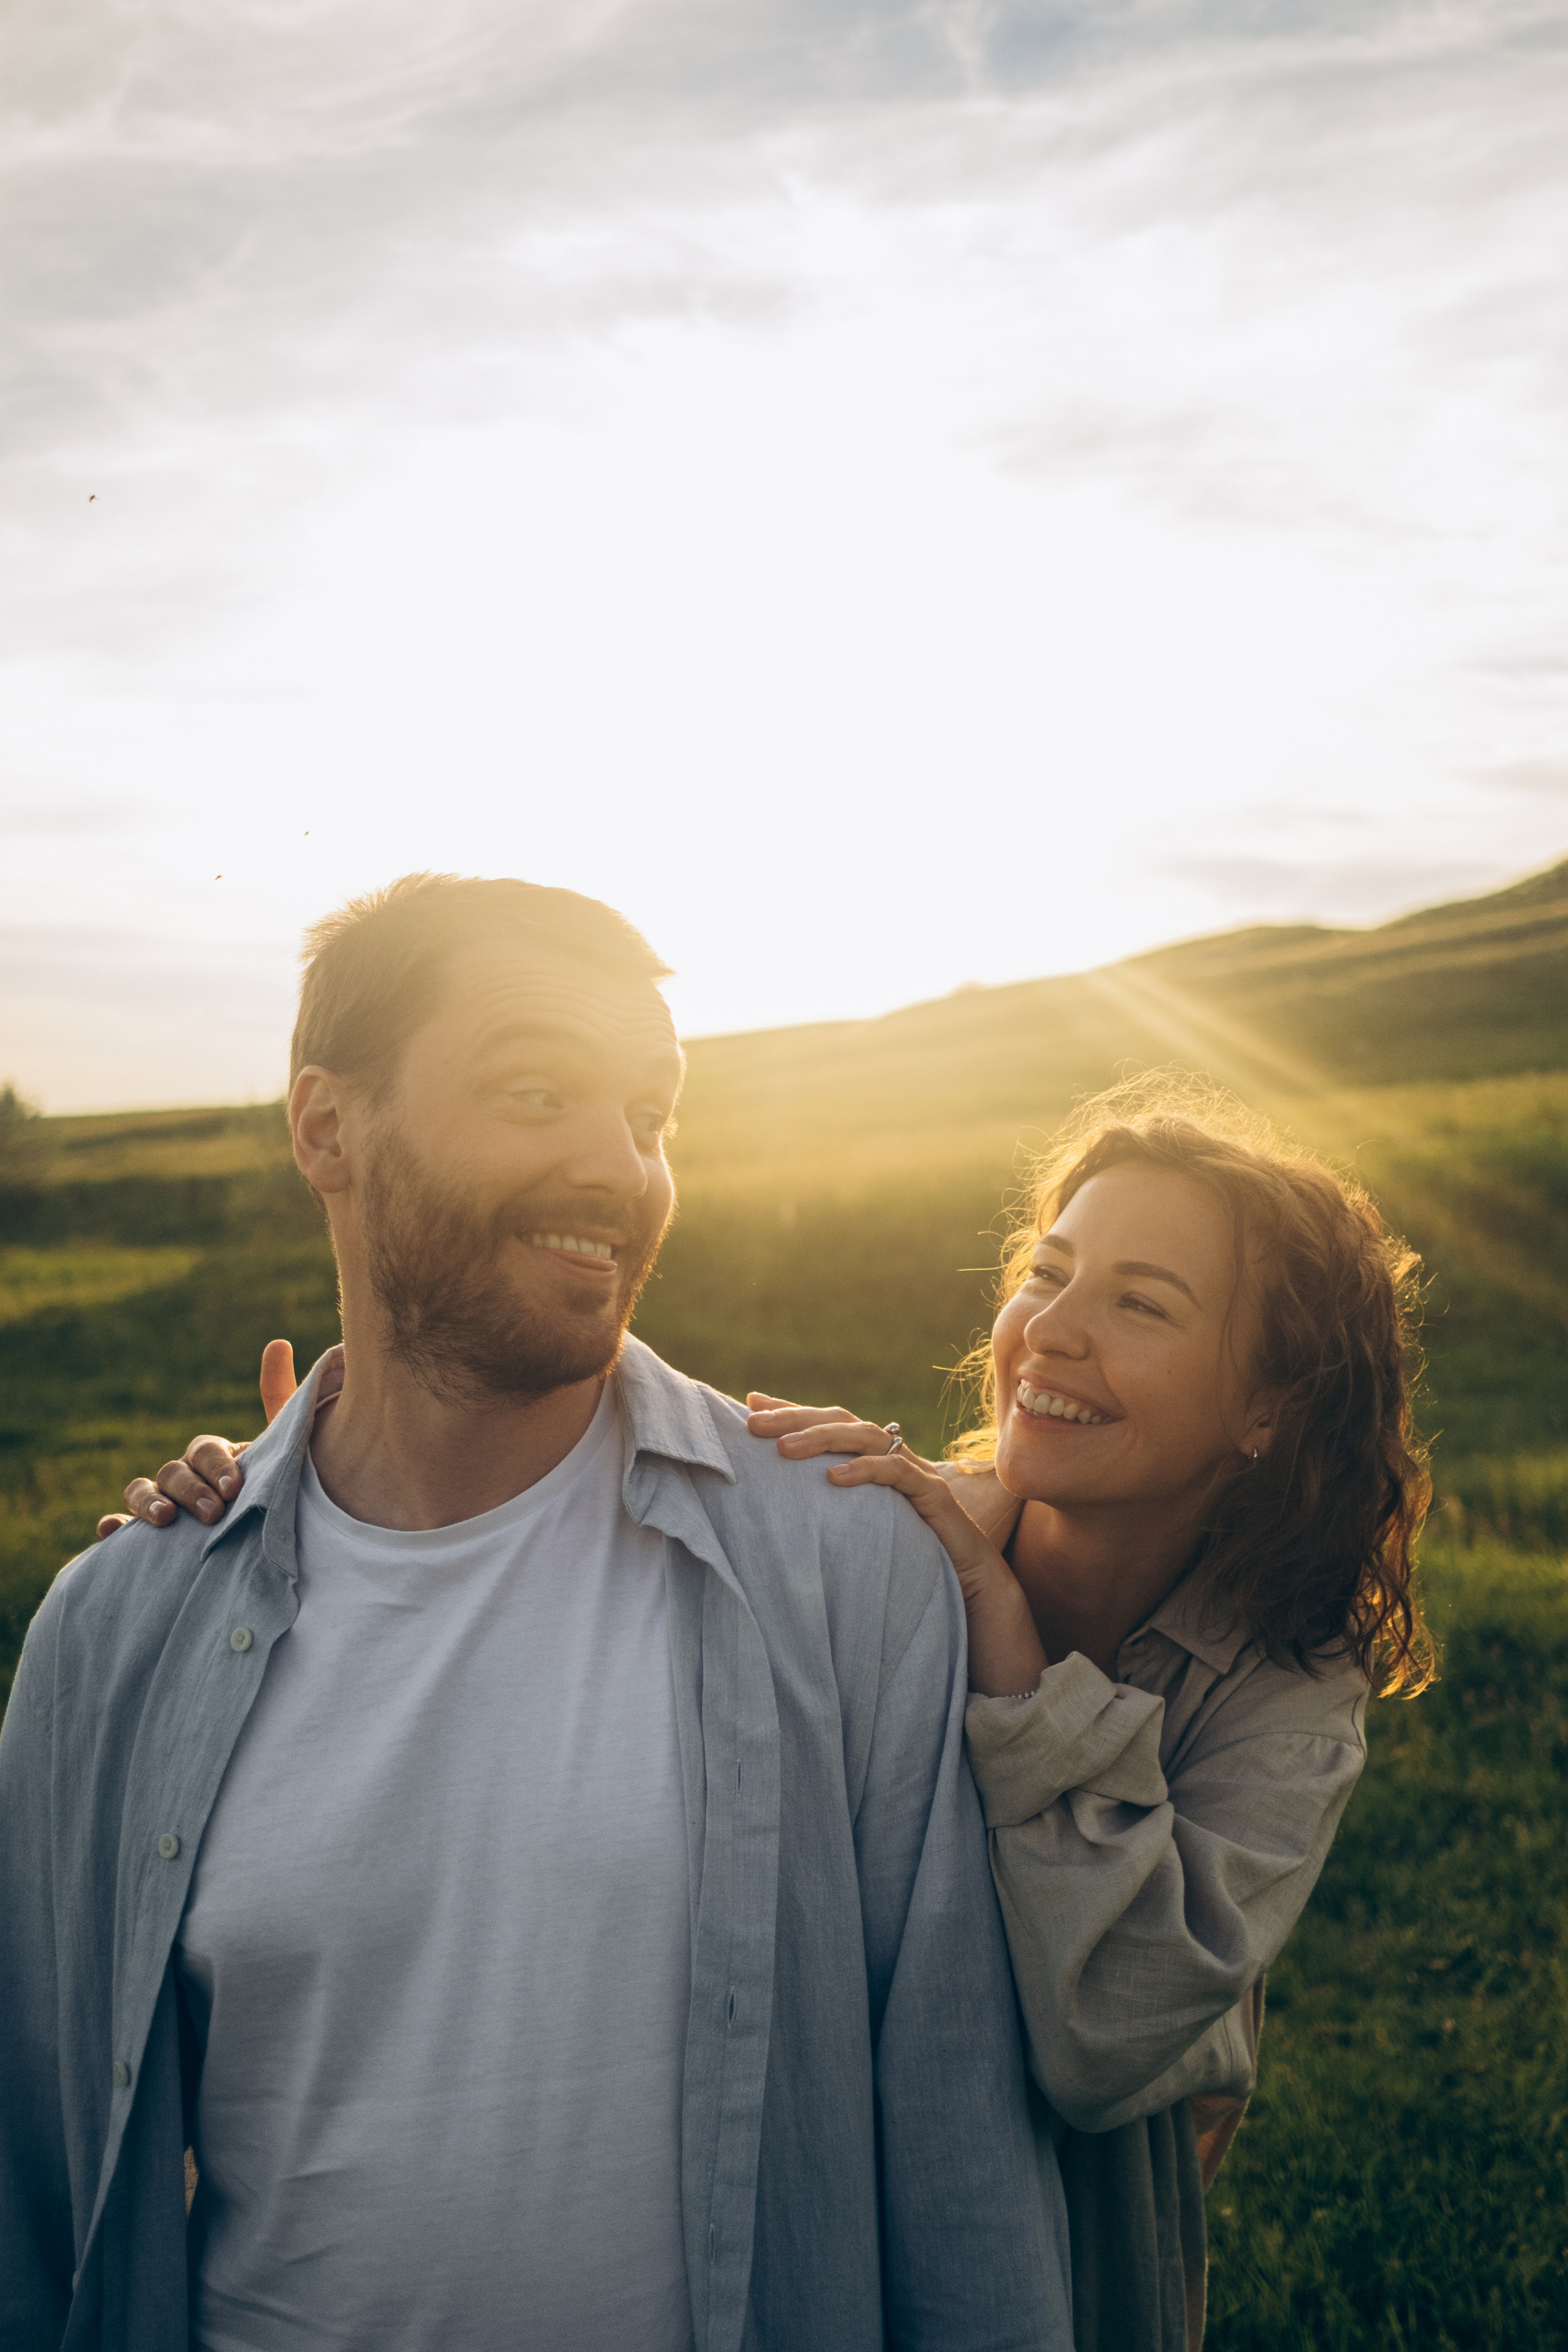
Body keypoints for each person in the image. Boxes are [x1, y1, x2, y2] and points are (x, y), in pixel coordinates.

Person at [0, 873, 1073, 2352]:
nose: (617, 1168)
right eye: (535, 1092)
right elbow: (37, 2203)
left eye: (650, 1115)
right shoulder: (115, 1634)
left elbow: (960, 2171)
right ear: (326, 1128)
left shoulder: (843, 1575)